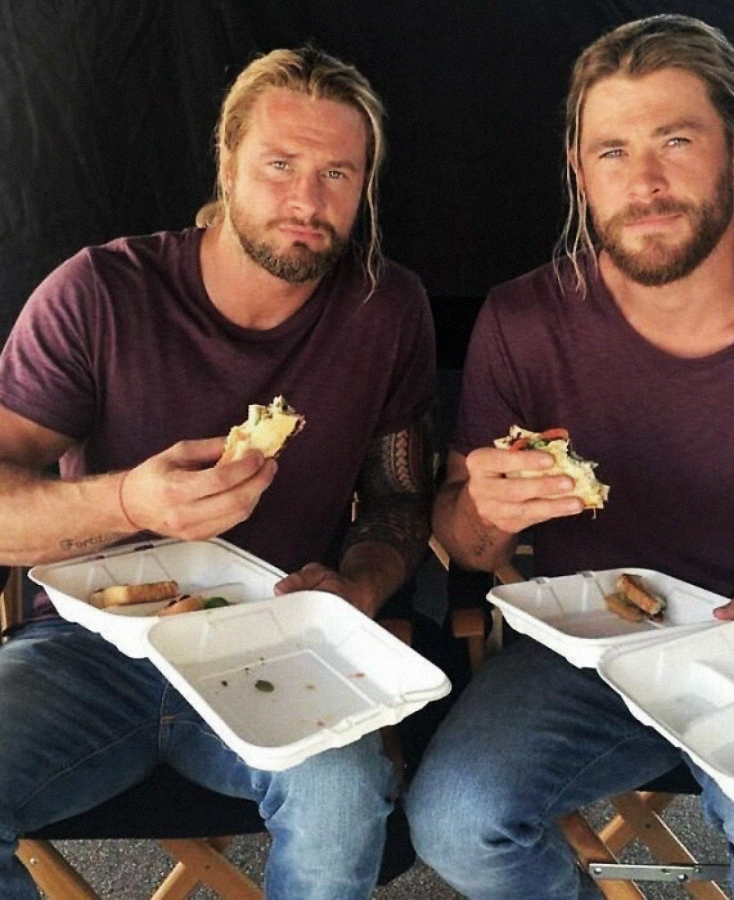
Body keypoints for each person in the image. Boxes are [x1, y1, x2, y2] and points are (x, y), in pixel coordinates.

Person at [406, 15, 734, 900]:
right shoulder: (524, 322)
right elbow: (465, 540)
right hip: (588, 657)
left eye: (677, 140)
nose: (645, 183)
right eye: (612, 152)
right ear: (577, 169)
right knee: (455, 819)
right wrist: (484, 511)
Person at [0, 46, 436, 900]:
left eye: (338, 173)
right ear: (227, 161)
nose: (307, 201)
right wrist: (131, 499)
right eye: (279, 165)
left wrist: (357, 587)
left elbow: (400, 498)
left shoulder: (385, 310)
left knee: (345, 797)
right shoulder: (100, 292)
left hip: (283, 646)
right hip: (90, 648)